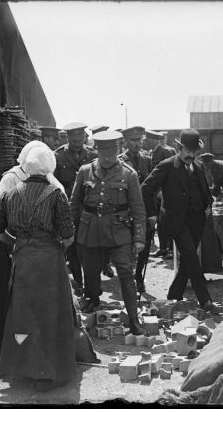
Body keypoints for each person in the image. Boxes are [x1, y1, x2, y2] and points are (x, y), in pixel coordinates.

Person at [0, 146, 77, 392]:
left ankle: (23, 369)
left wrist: (16, 242)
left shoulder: (10, 193)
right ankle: (48, 373)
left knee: (24, 314)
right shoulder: (56, 194)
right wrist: (58, 244)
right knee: (50, 315)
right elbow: (68, 235)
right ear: (49, 167)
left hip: (23, 260)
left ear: (26, 166)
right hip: (50, 261)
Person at [70, 130, 146, 335]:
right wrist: (68, 231)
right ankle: (93, 300)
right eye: (103, 154)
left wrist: (139, 238)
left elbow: (138, 209)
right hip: (90, 230)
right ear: (97, 151)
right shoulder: (85, 171)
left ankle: (133, 318)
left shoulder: (129, 174)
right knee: (91, 273)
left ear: (118, 151)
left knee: (126, 275)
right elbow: (74, 203)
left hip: (119, 232)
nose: (106, 159)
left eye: (111, 154)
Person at [0, 140, 64, 349]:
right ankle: (7, 339)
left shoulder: (47, 177)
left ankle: (37, 340)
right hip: (12, 242)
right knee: (11, 292)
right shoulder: (11, 178)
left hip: (40, 247)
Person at [141, 129, 221, 314]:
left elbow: (204, 190)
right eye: (187, 150)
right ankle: (205, 300)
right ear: (178, 148)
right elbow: (145, 189)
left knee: (188, 258)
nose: (190, 155)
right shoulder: (166, 166)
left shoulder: (199, 166)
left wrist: (208, 205)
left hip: (197, 220)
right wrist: (152, 214)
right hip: (176, 221)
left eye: (194, 151)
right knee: (192, 257)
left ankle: (174, 295)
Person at [54, 122, 99, 292]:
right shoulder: (57, 156)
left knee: (89, 250)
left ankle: (91, 286)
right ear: (68, 138)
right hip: (67, 210)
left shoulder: (93, 155)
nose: (77, 144)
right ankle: (79, 284)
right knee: (72, 249)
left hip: (89, 210)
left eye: (80, 141)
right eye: (74, 141)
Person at [119, 126, 154, 293]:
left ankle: (138, 276)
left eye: (140, 140)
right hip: (125, 210)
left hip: (144, 210)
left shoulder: (147, 160)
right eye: (133, 140)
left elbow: (152, 188)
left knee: (144, 246)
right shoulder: (119, 161)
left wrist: (153, 213)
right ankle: (127, 277)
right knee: (126, 245)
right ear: (125, 141)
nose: (137, 143)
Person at [149, 131, 176, 257]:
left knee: (168, 220)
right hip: (157, 193)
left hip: (165, 192)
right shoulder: (151, 152)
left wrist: (163, 190)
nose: (144, 142)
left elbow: (171, 172)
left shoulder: (166, 151)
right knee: (160, 222)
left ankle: (170, 249)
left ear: (153, 140)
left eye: (147, 139)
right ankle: (163, 247)